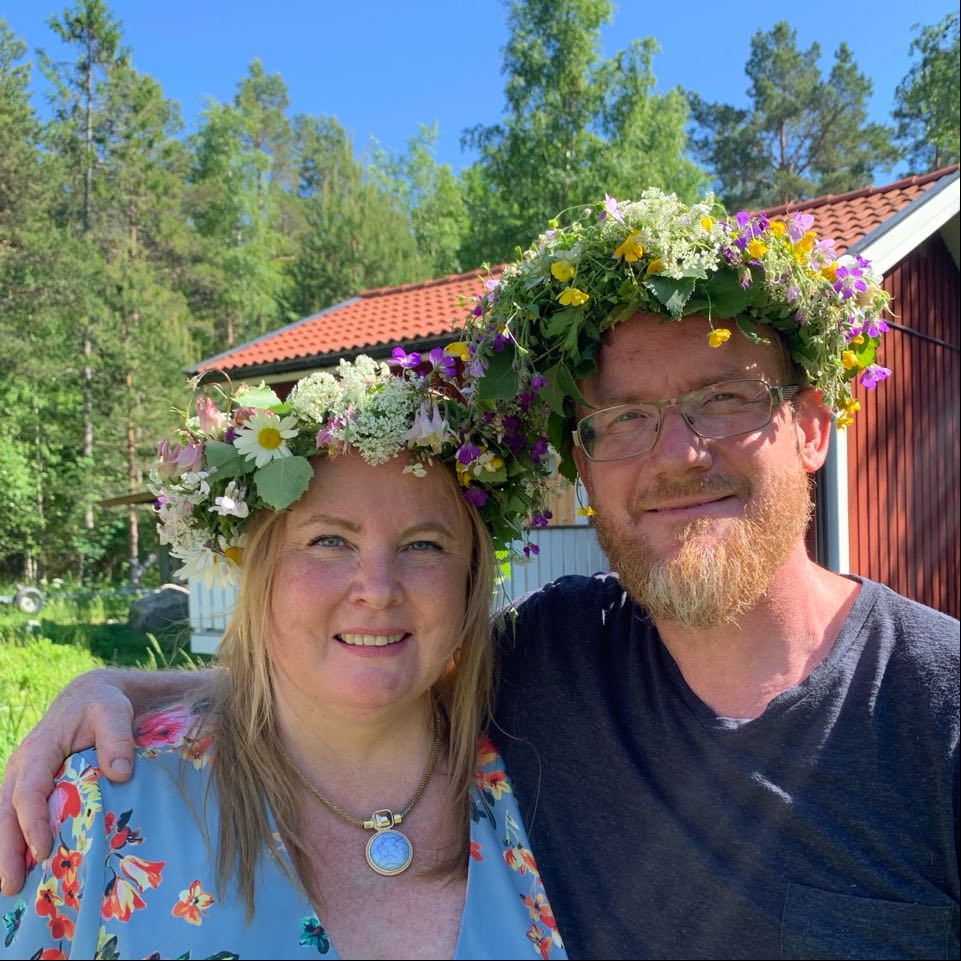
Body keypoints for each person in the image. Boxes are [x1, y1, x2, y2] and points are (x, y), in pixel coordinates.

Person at [3, 190, 959, 959]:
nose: (676, 453)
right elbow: (361, 677)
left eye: (723, 398)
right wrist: (111, 685)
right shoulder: (560, 660)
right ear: (581, 466)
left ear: (812, 424)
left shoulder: (938, 711)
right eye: (623, 418)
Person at [0, 354, 567, 959]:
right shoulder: (100, 809)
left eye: (424, 544)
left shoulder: (550, 784)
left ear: (470, 581)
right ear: (259, 572)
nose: (378, 588)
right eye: (329, 541)